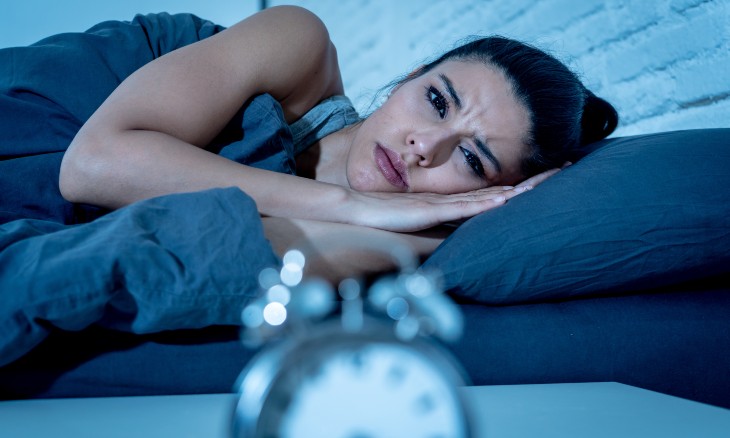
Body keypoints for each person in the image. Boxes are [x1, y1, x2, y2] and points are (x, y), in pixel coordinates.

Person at [3, 5, 618, 278]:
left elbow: (215, 244)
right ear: (407, 77)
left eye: (470, 158)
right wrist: (350, 204)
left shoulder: (379, 244)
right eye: (435, 100)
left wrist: (448, 228)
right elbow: (92, 165)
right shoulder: (300, 47)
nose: (422, 146)